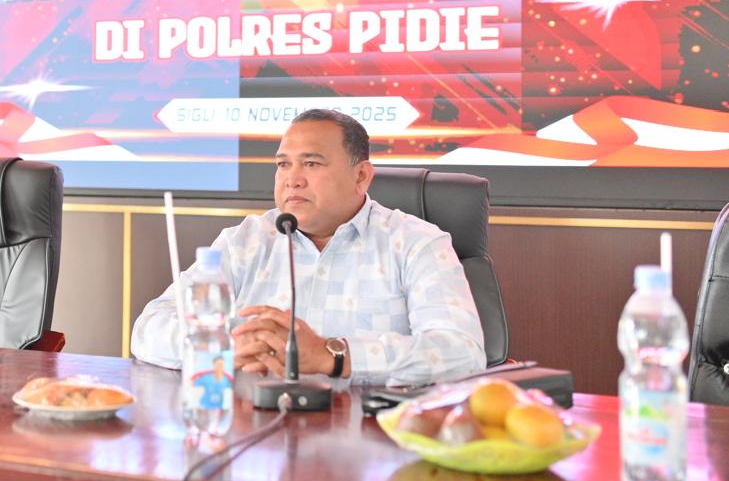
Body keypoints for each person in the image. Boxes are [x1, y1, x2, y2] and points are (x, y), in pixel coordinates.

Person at [131, 109, 485, 386]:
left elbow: (462, 352)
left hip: (370, 438)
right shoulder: (246, 241)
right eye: (283, 164)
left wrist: (334, 357)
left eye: (311, 164)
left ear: (361, 176)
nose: (292, 179)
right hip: (254, 433)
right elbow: (149, 328)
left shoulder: (416, 243)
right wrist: (220, 348)